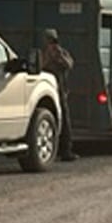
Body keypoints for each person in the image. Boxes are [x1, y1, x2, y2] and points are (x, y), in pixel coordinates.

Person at [41, 28, 77, 161]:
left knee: (64, 122)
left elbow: (69, 64)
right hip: (50, 90)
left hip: (59, 89)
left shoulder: (58, 52)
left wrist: (57, 57)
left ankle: (66, 150)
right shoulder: (47, 52)